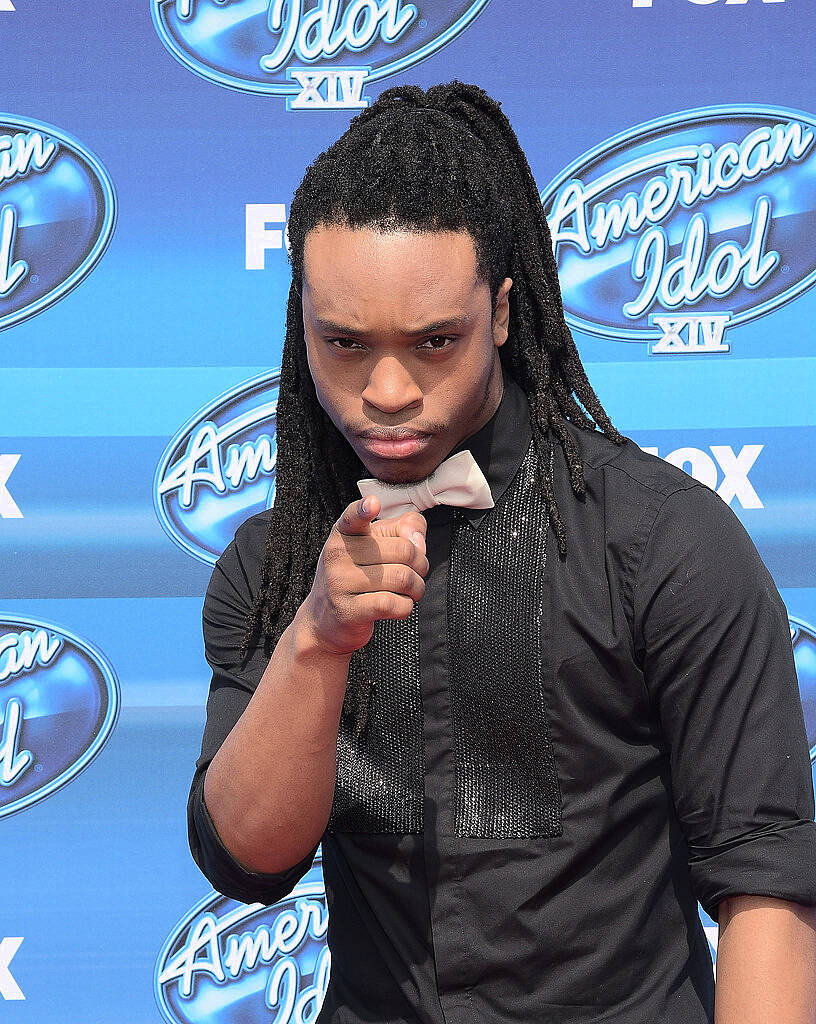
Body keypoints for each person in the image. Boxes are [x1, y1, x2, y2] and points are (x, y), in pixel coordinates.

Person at [186, 81, 816, 1023]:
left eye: (436, 341)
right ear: (301, 327)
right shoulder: (274, 569)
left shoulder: (663, 541)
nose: (388, 388)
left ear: (506, 312)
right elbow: (247, 861)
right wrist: (315, 643)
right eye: (345, 344)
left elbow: (765, 880)